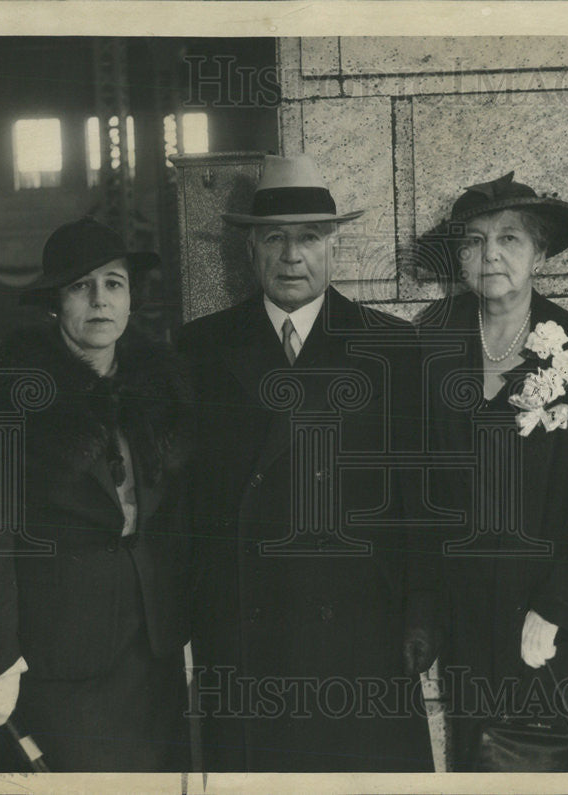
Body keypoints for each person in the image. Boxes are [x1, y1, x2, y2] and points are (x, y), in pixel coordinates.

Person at [179, 154, 434, 773]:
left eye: (310, 237)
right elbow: (185, 501)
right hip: (246, 631)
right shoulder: (200, 348)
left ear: (334, 245)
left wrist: (422, 615)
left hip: (361, 632)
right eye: (275, 238)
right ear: (250, 250)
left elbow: (422, 500)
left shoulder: (392, 347)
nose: (292, 255)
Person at [0, 217, 193, 771]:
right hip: (61, 659)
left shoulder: (161, 387)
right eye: (81, 286)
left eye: (114, 284)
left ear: (130, 299)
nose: (100, 300)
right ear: (56, 303)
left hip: (154, 655)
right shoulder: (9, 397)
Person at [411, 172, 568, 771]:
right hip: (471, 623)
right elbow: (413, 493)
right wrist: (425, 608)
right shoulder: (428, 345)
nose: (490, 255)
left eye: (510, 239)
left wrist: (563, 606)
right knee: (485, 767)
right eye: (473, 241)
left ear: (540, 252)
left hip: (558, 624)